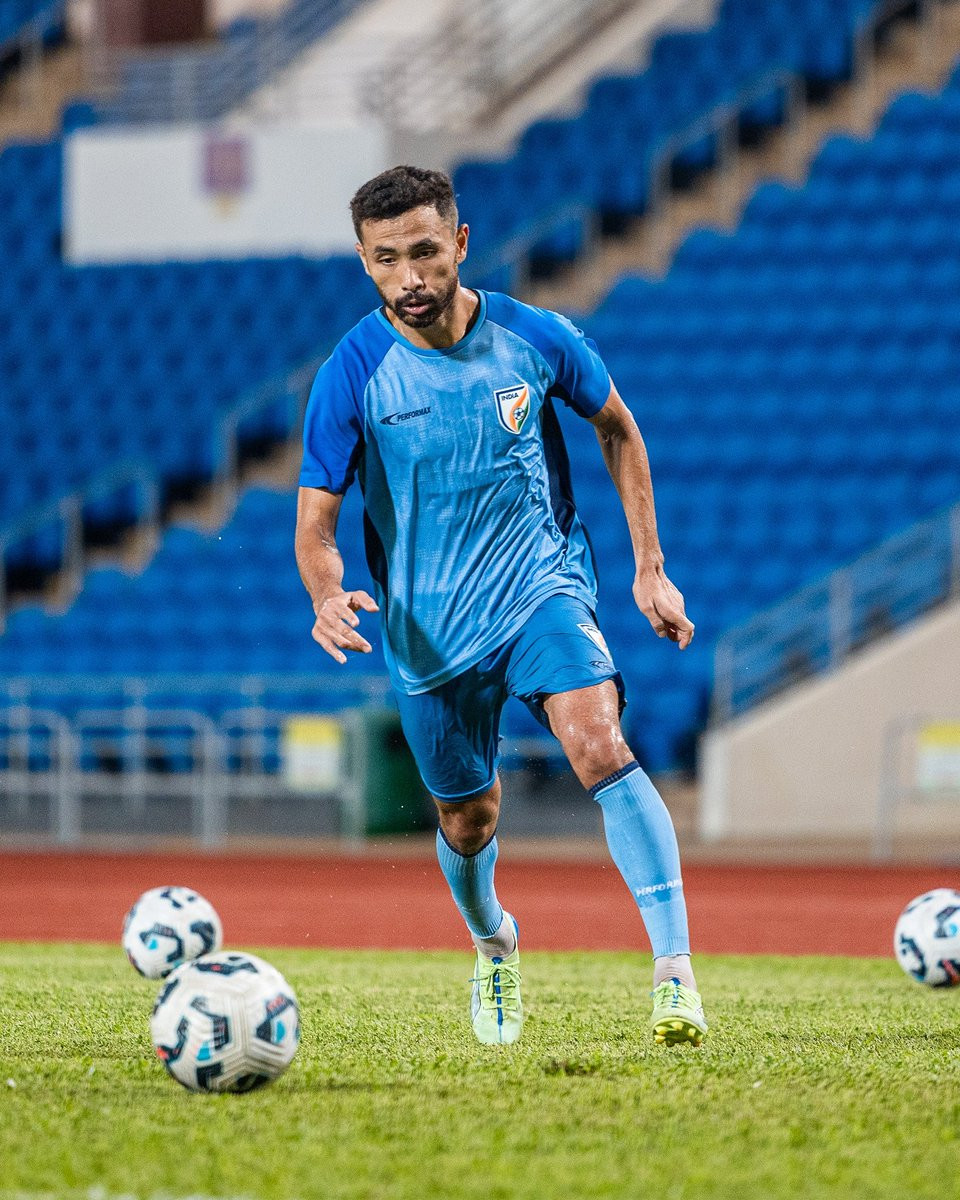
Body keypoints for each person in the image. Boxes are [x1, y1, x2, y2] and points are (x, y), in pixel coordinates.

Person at [295, 165, 707, 1049]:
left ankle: (674, 973)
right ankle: (493, 944)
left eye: (425, 253)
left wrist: (650, 569)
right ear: (364, 262)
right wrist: (327, 593)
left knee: (598, 743)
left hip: (538, 589)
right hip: (428, 631)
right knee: (468, 817)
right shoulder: (351, 372)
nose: (409, 277)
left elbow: (617, 427)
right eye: (386, 260)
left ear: (461, 243)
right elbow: (316, 524)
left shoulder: (534, 336)